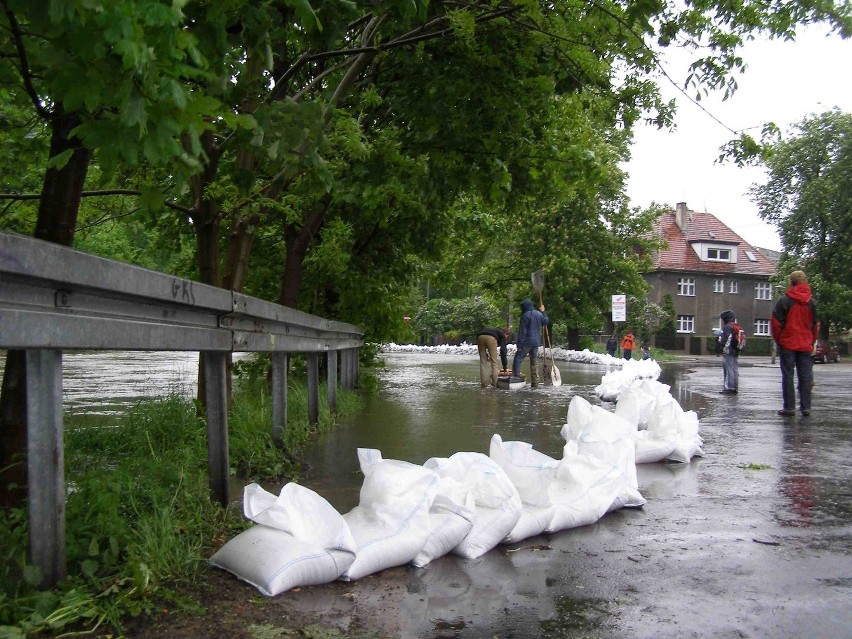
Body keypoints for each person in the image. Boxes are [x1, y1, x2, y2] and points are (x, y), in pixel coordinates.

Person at [771, 270, 819, 416]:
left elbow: (775, 323)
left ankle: (789, 407)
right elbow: (815, 324)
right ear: (805, 282)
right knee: (805, 376)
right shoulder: (811, 302)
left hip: (788, 342)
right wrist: (812, 342)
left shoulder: (784, 300)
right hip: (805, 344)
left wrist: (779, 340)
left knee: (788, 375)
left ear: (791, 282)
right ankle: (806, 407)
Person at [511, 299, 548, 388]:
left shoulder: (525, 316)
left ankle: (516, 376)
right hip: (536, 342)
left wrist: (519, 345)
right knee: (534, 360)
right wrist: (543, 312)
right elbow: (546, 321)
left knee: (518, 358)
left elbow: (522, 332)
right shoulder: (539, 314)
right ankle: (535, 381)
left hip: (527, 341)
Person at [718, 310, 739, 394]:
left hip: (728, 351)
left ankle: (729, 388)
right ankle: (734, 387)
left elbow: (724, 340)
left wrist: (721, 347)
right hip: (735, 351)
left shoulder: (727, 327)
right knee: (734, 369)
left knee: (728, 369)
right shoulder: (735, 326)